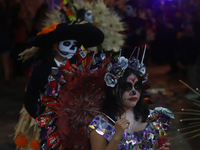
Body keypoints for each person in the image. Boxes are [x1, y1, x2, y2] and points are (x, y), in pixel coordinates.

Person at [89, 52, 174, 150]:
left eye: (137, 87)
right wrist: (116, 137)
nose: (134, 92)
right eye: (127, 87)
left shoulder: (149, 117)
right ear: (113, 90)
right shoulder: (100, 124)